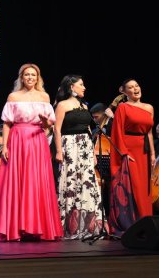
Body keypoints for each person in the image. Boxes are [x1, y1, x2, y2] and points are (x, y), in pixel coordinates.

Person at [0, 63, 62, 241]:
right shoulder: (14, 96)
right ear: (21, 77)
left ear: (38, 78)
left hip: (37, 140)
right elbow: (7, 123)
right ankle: (14, 228)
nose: (30, 78)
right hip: (17, 139)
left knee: (36, 181)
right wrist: (5, 146)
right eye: (27, 75)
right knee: (14, 181)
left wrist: (45, 122)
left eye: (33, 75)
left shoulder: (44, 96)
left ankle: (36, 227)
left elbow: (48, 126)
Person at [53, 75, 103, 239]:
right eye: (81, 84)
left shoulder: (84, 105)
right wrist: (59, 151)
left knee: (87, 183)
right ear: (71, 87)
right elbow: (56, 129)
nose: (84, 87)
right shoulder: (62, 105)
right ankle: (71, 226)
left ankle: (88, 225)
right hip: (70, 145)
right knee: (71, 181)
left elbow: (88, 129)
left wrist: (92, 152)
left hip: (85, 147)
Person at [109, 78, 155, 235]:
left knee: (144, 187)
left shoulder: (149, 107)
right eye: (130, 87)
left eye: (137, 85)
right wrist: (124, 153)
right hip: (129, 149)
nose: (135, 89)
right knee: (133, 186)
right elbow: (117, 131)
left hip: (144, 150)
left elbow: (149, 132)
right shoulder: (123, 107)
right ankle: (133, 222)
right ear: (124, 91)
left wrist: (153, 154)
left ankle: (146, 221)